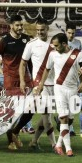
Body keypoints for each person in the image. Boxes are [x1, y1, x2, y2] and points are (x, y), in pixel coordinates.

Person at [34, 33, 82, 157]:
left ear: (64, 44)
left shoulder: (78, 54)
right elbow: (47, 70)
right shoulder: (52, 55)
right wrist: (41, 85)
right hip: (59, 89)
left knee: (69, 120)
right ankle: (68, 149)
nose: (55, 48)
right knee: (63, 118)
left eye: (57, 46)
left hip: (73, 89)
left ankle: (58, 144)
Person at [0, 15, 31, 150]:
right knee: (11, 111)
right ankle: (10, 141)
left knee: (32, 107)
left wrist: (33, 77)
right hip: (10, 79)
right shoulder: (5, 41)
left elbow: (31, 60)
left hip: (26, 78)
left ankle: (16, 131)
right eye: (17, 25)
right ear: (11, 26)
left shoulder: (26, 39)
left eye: (21, 25)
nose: (20, 28)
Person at [20, 19, 56, 150]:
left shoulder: (54, 44)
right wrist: (23, 81)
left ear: (47, 29)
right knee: (47, 115)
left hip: (53, 85)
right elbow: (23, 63)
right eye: (38, 30)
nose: (39, 32)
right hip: (39, 86)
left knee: (47, 115)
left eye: (42, 30)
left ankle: (34, 141)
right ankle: (54, 144)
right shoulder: (31, 44)